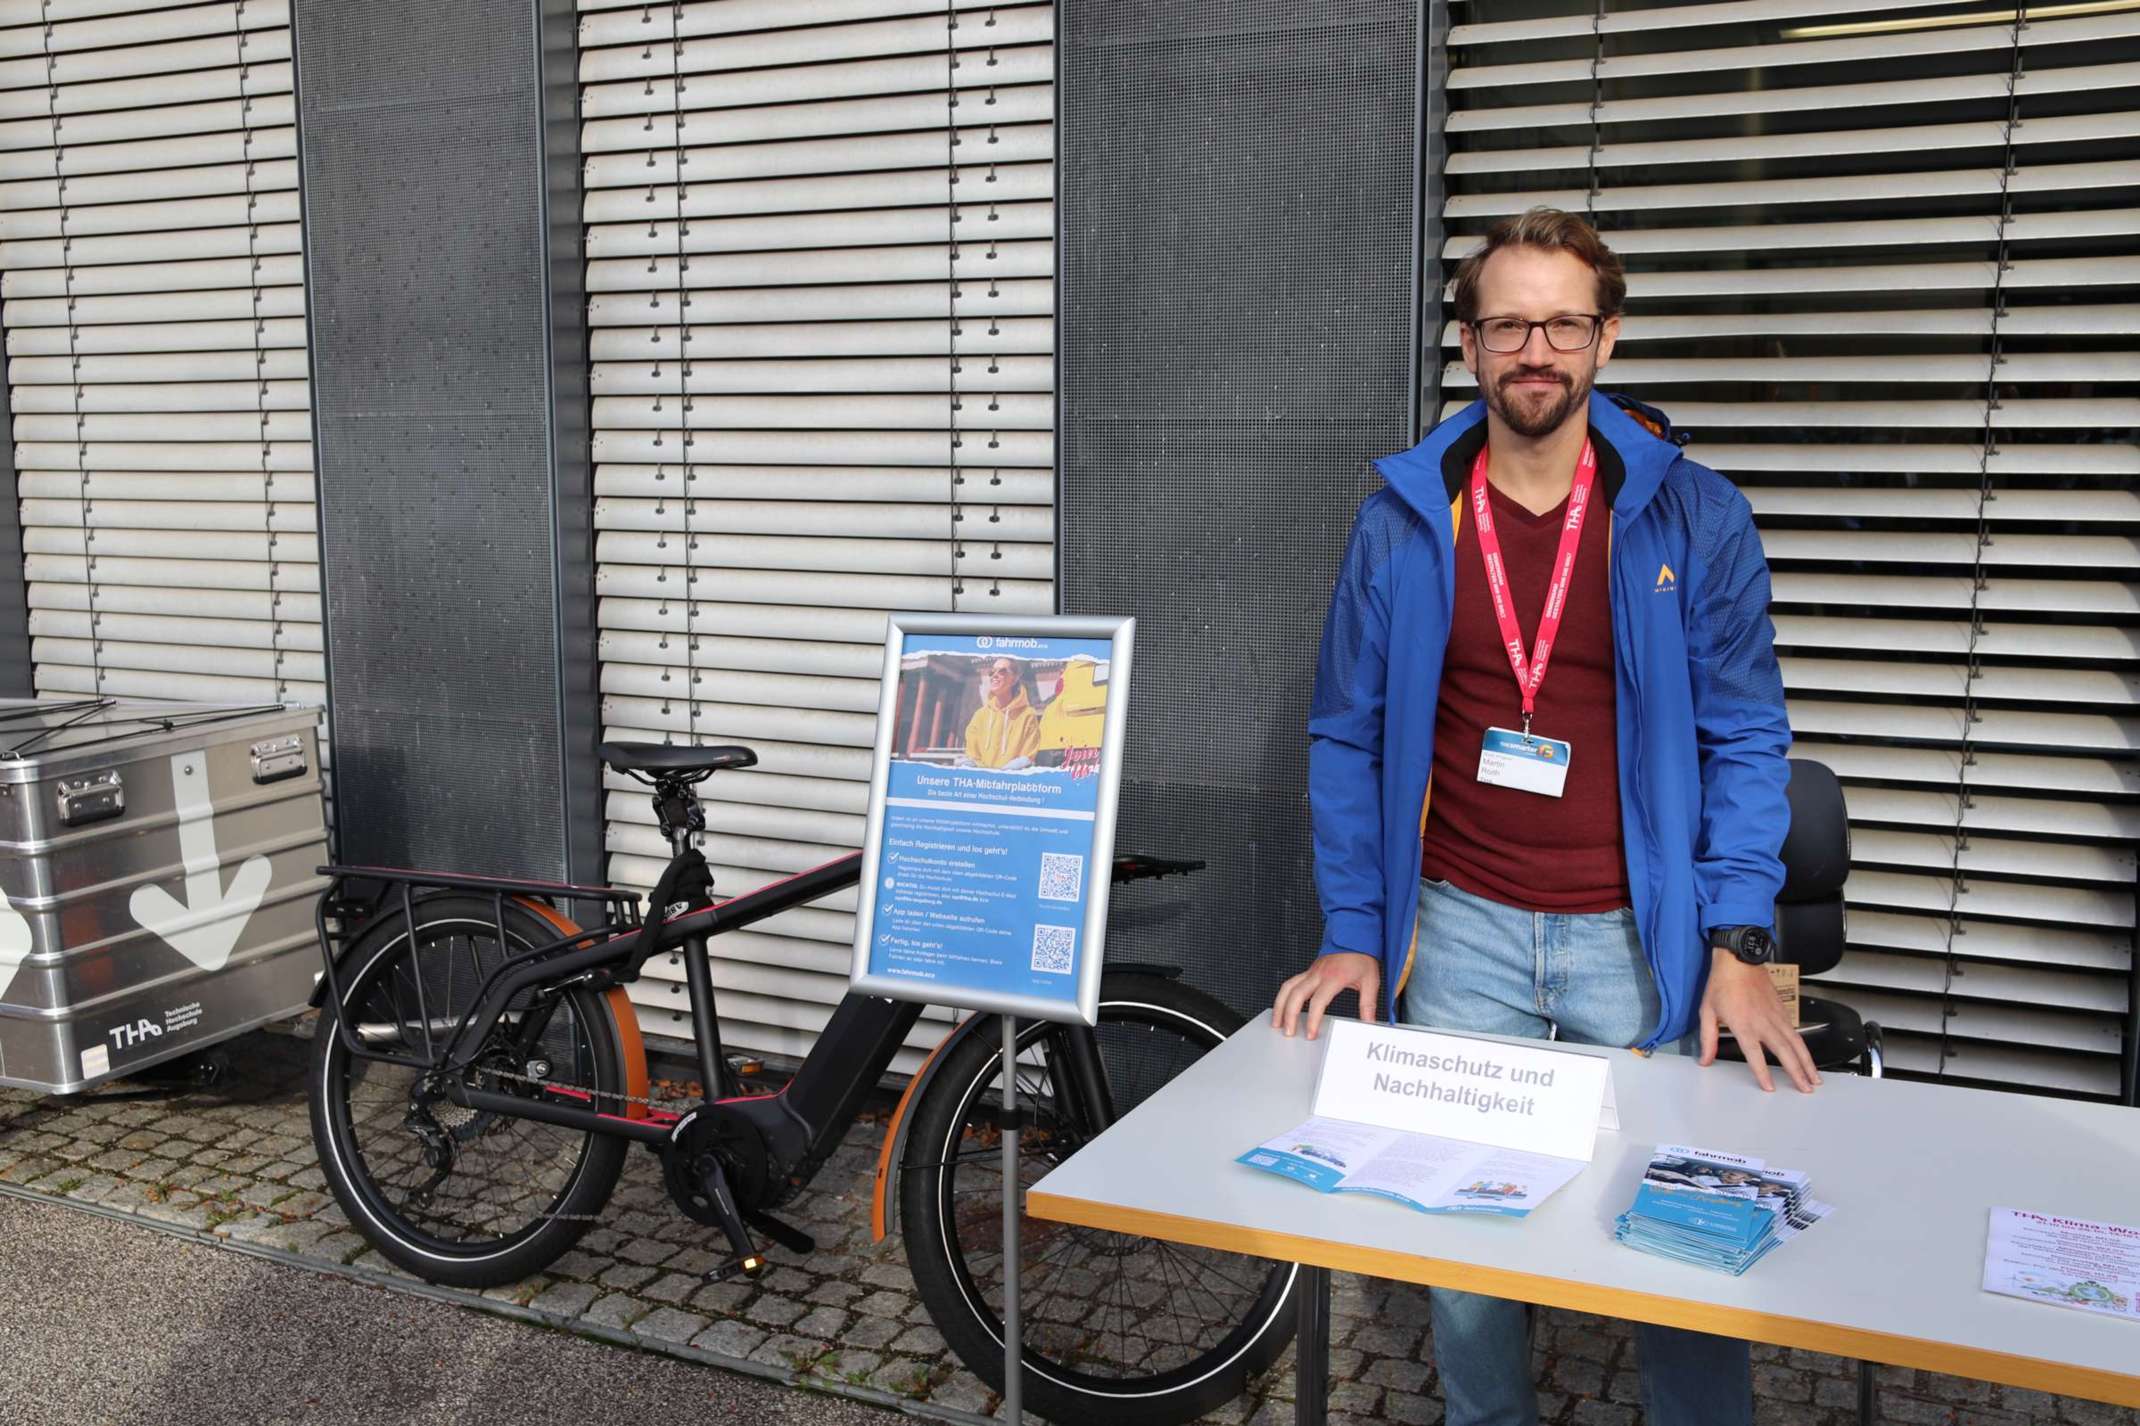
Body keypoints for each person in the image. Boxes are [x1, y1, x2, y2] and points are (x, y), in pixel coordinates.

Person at [1272, 206, 1816, 1426]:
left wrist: (1736, 941)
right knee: (1467, 1260)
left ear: (1606, 339)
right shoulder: (1404, 521)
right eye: (1507, 322)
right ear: (1467, 344)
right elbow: (1346, 735)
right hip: (1459, 939)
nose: (1536, 350)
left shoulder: (1692, 516)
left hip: (1641, 943)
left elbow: (1745, 734)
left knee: (1679, 1253)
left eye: (1562, 322)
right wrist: (1357, 928)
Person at [961, 657, 1041, 769]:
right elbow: (972, 756)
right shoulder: (980, 716)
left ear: (1014, 679)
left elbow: (1027, 757)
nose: (994, 675)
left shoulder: (1027, 715)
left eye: (1002, 671)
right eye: (992, 672)